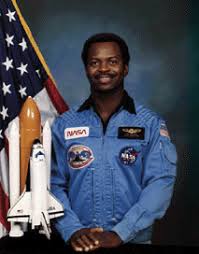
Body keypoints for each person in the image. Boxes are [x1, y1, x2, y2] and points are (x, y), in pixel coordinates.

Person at [51, 33, 177, 252]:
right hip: (79, 244)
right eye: (94, 62)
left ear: (125, 68)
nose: (103, 69)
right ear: (86, 69)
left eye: (112, 61)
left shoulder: (150, 124)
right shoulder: (64, 125)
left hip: (133, 241)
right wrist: (72, 229)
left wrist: (121, 233)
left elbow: (160, 182)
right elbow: (53, 184)